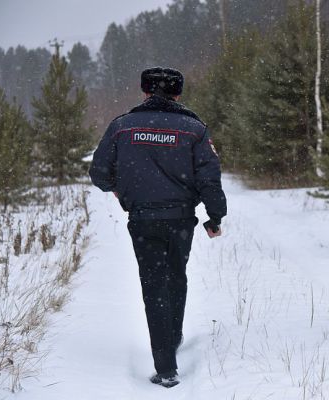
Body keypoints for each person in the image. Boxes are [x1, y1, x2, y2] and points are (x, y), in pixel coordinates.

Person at [89, 67, 227, 387]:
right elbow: (209, 178)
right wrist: (215, 217)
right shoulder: (194, 129)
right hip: (181, 219)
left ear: (145, 92)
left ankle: (165, 365)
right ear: (178, 95)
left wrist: (122, 191)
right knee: (176, 276)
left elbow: (99, 173)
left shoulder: (122, 127)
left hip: (143, 219)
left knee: (153, 285)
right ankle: (173, 335)